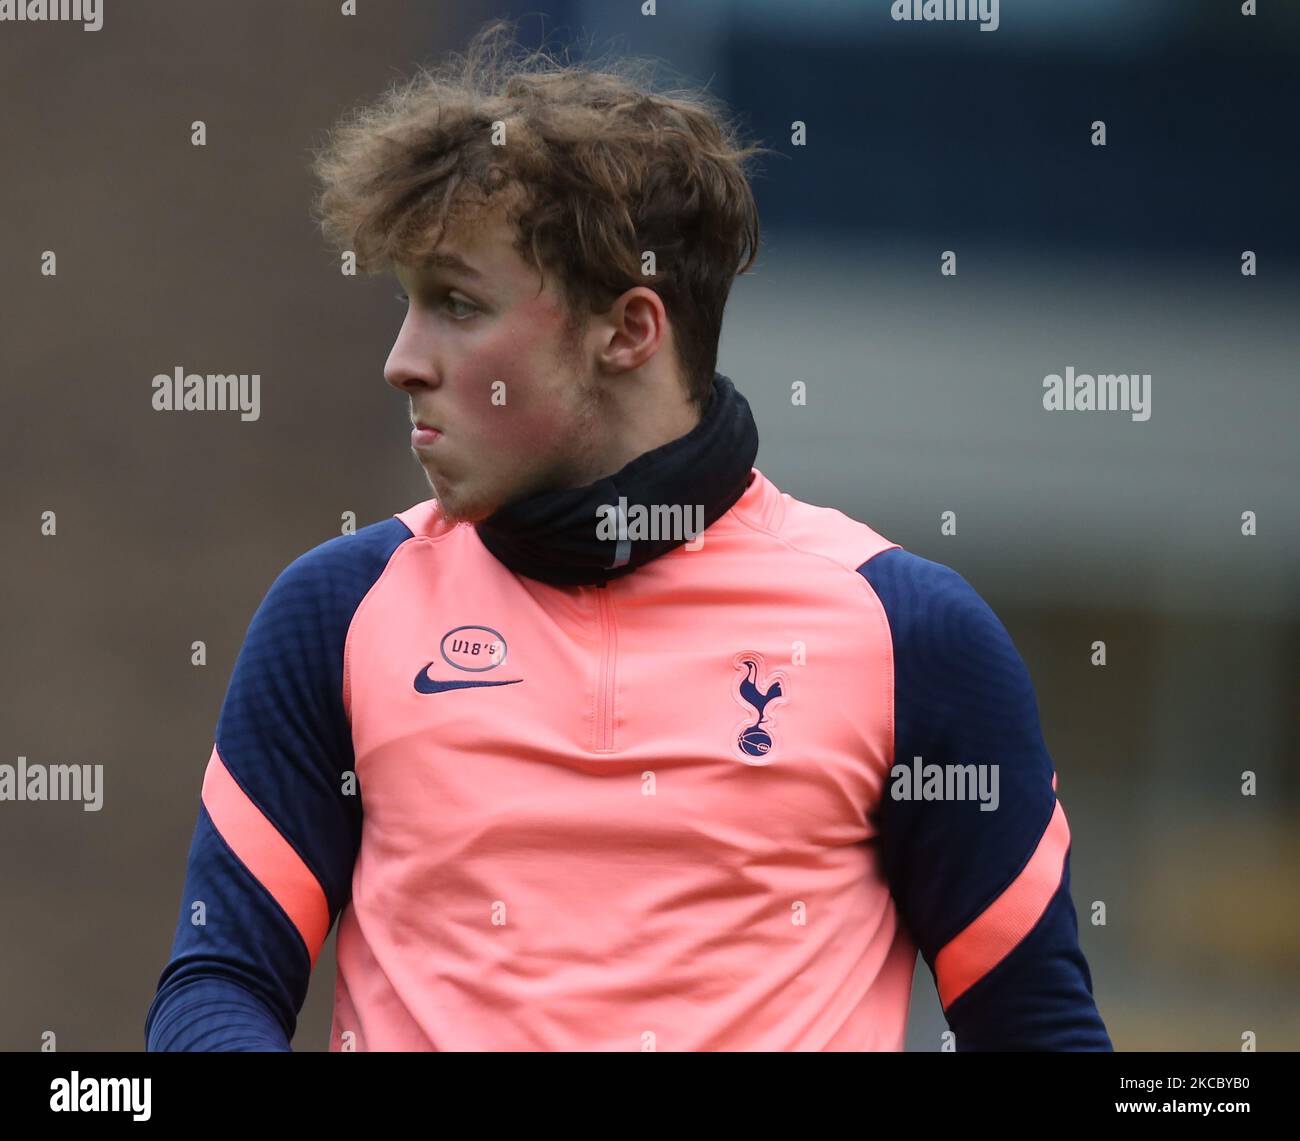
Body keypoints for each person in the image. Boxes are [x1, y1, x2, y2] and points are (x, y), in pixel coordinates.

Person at [145, 21, 1110, 1051]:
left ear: (629, 330)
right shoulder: (335, 611)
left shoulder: (910, 633)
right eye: (407, 305)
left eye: (457, 306)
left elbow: (1038, 1031)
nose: (402, 361)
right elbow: (217, 982)